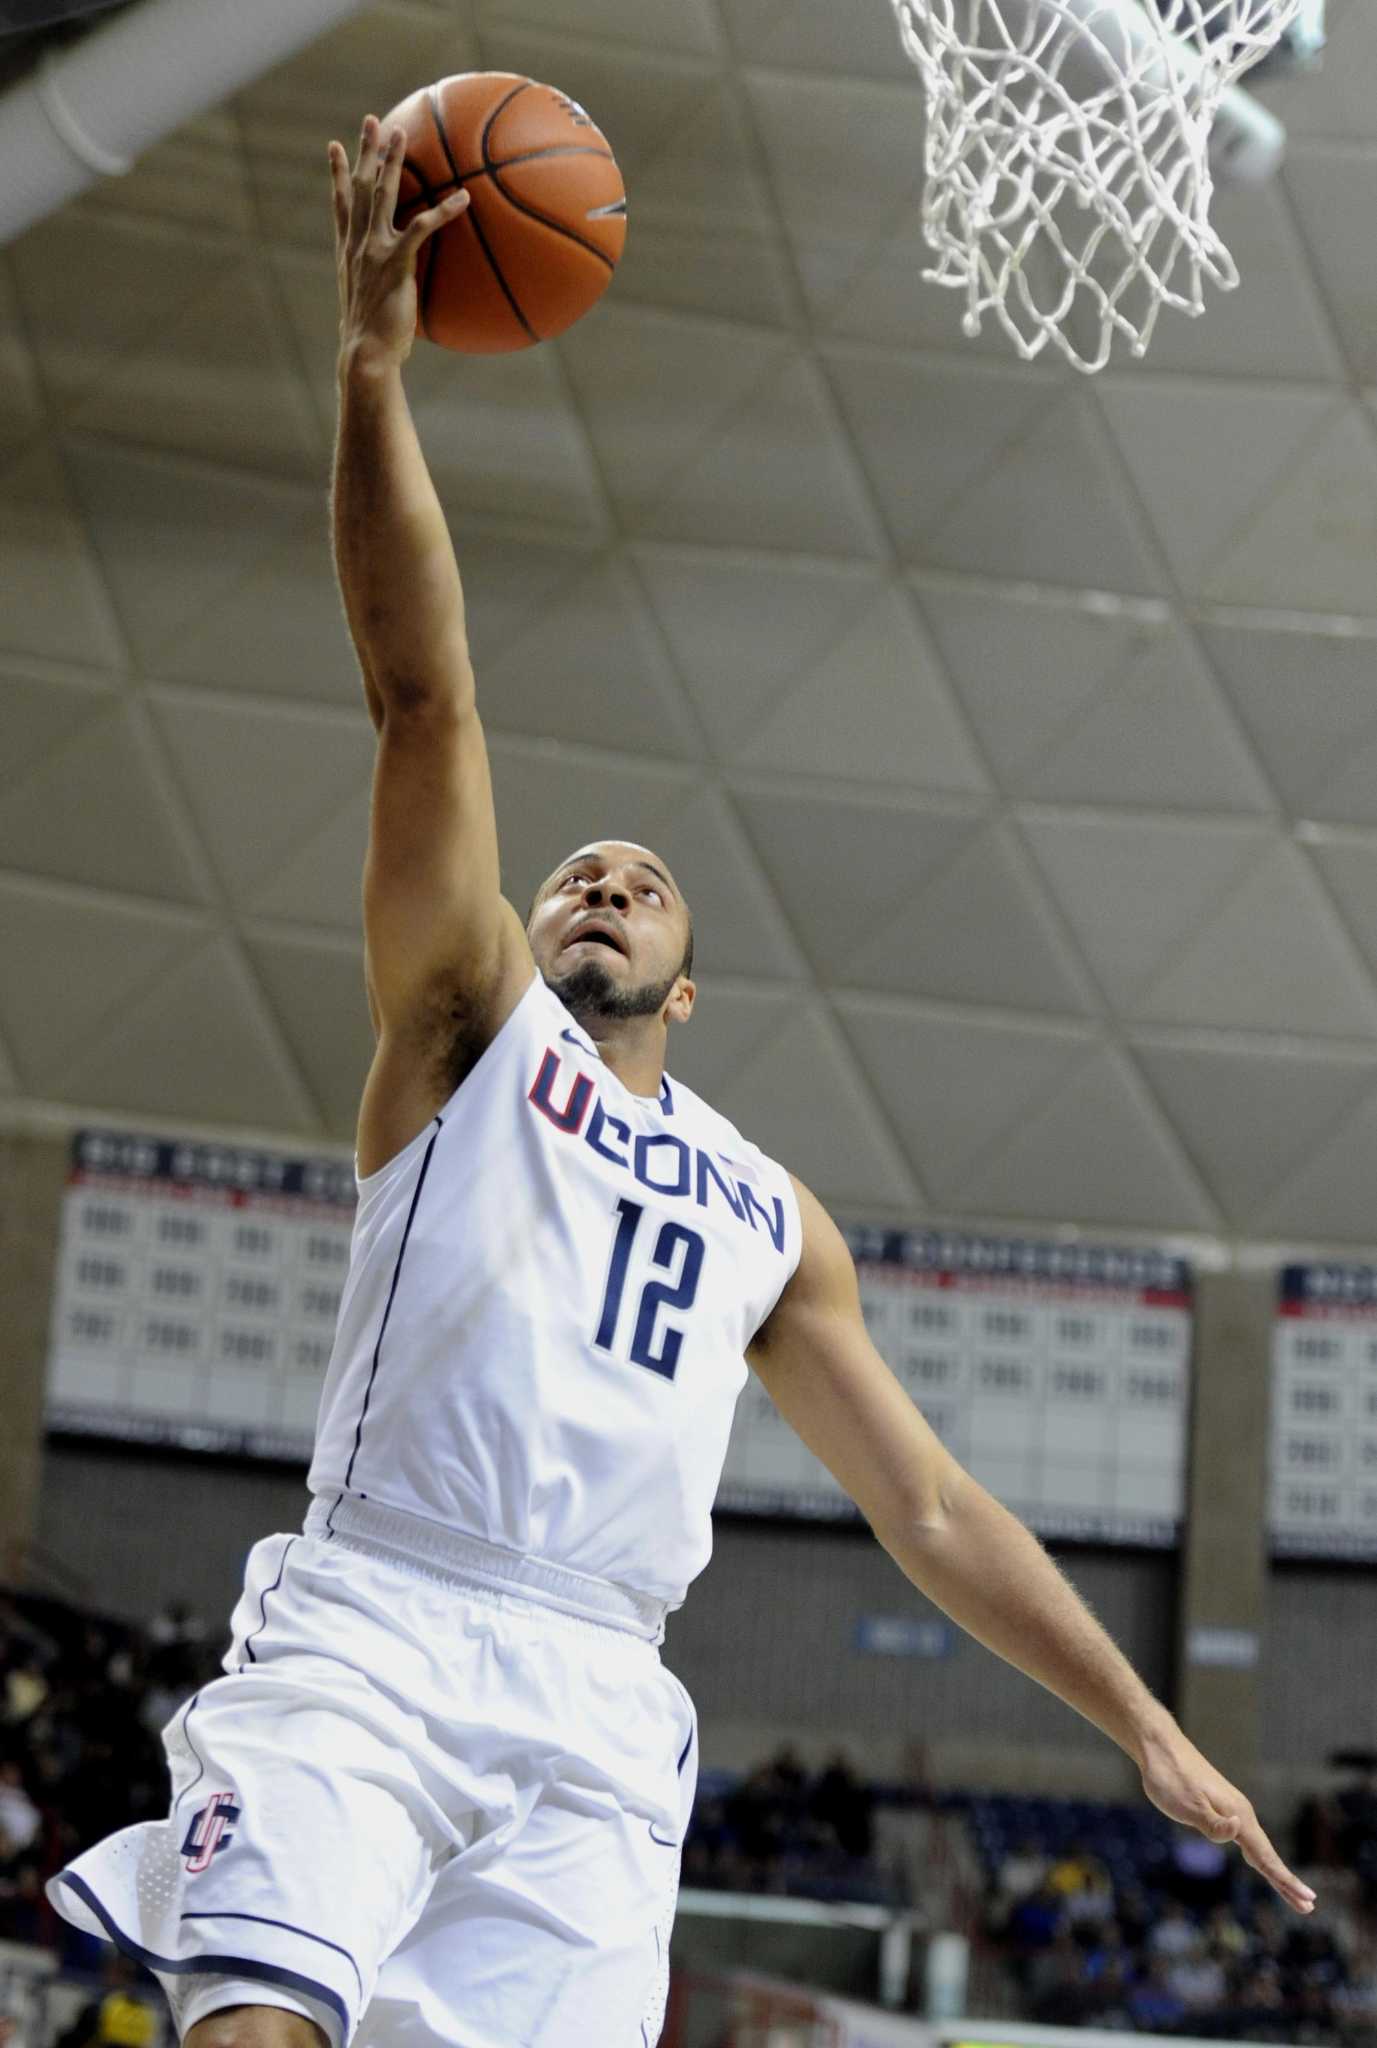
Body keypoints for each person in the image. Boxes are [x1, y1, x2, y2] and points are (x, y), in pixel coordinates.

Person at [47, 110, 1317, 2048]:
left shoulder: (765, 1210)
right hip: (375, 1619)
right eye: (575, 869)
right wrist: (372, 367)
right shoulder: (464, 1031)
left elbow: (931, 1507)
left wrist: (1140, 1719)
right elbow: (421, 697)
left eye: (642, 880)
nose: (604, 877)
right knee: (258, 2025)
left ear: (688, 983)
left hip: (598, 1695)